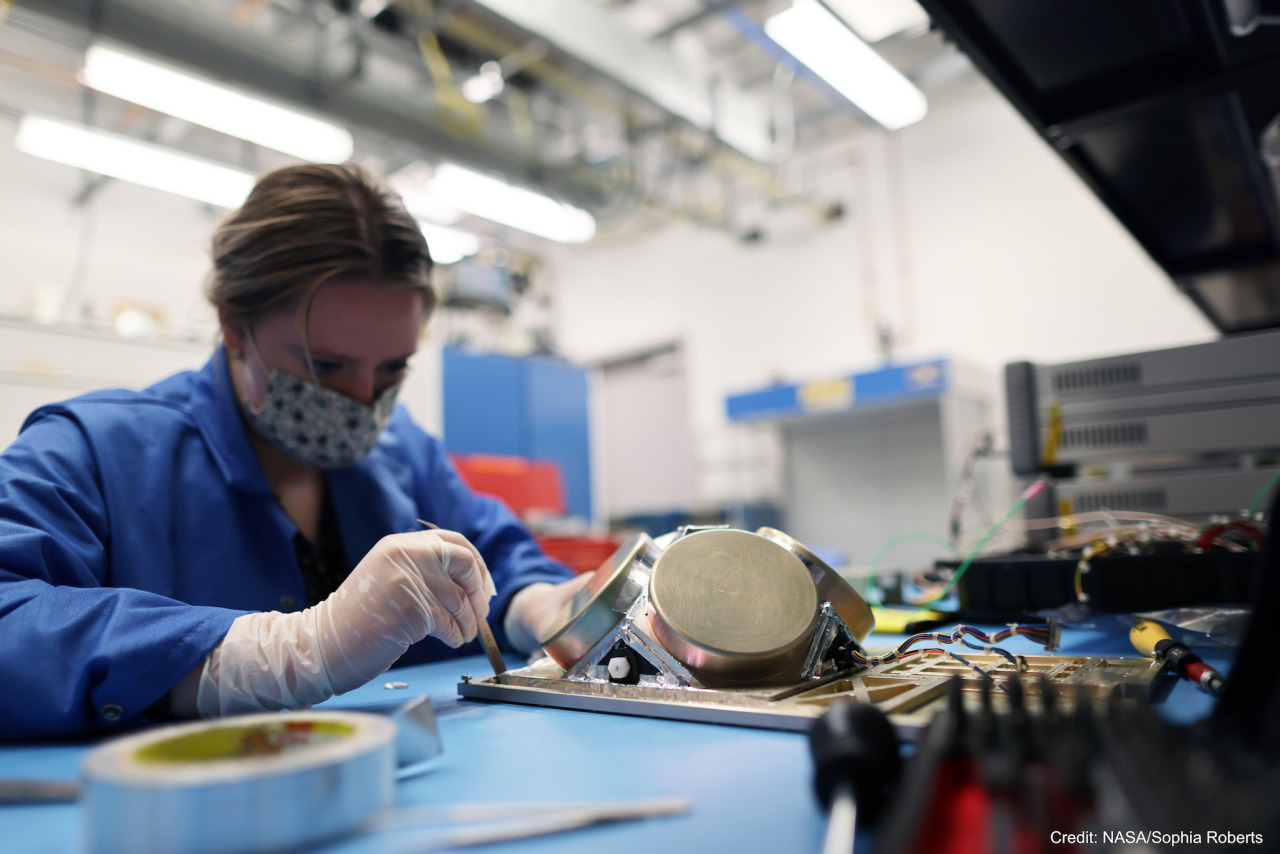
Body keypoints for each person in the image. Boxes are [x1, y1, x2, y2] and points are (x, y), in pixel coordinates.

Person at [0, 163, 588, 739]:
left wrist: (539, 602)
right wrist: (279, 652)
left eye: (391, 368)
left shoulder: (402, 450)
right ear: (234, 327)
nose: (363, 401)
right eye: (324, 366)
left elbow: (497, 556)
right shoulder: (96, 450)